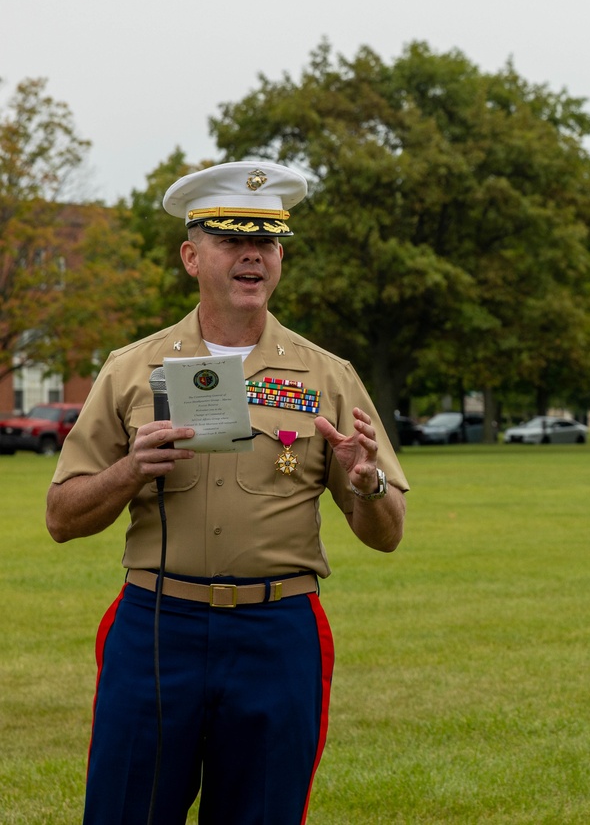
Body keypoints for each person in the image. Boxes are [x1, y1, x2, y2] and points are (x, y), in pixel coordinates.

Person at [46, 160, 409, 825]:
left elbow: (387, 532)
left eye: (267, 243)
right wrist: (130, 469)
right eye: (232, 240)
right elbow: (61, 517)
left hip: (276, 634)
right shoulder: (131, 369)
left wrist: (369, 483)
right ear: (191, 256)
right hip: (160, 627)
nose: (253, 256)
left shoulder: (328, 375)